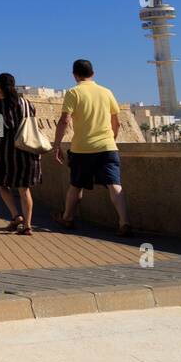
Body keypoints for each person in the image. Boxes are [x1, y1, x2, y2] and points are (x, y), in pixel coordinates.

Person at [54, 59, 131, 236]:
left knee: (76, 186)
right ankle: (124, 222)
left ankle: (67, 218)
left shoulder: (73, 92)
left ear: (74, 75)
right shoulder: (106, 92)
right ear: (93, 74)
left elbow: (65, 120)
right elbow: (116, 122)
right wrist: (110, 140)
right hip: (108, 146)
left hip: (82, 149)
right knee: (114, 185)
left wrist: (57, 145)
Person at [0, 73, 40, 235]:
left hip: (6, 152)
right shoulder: (27, 104)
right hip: (27, 151)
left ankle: (16, 216)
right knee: (24, 189)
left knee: (2, 184)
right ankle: (28, 225)